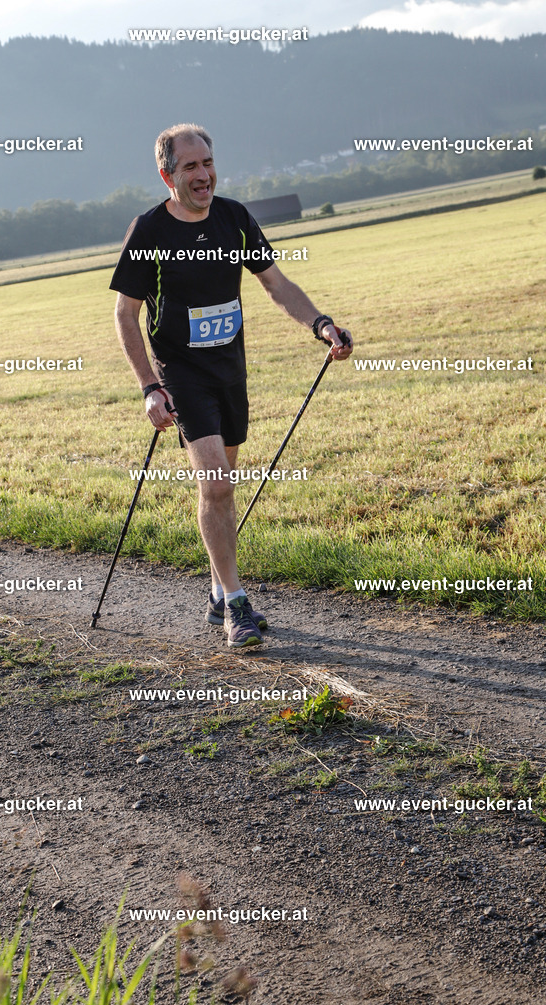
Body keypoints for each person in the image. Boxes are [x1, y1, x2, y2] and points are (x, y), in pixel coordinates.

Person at [110, 123, 353, 649]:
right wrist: (150, 387)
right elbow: (125, 315)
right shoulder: (149, 231)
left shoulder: (234, 218)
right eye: (190, 167)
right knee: (217, 485)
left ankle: (220, 592)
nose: (203, 175)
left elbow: (276, 284)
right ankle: (237, 605)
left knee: (222, 485)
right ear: (167, 176)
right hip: (181, 373)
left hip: (230, 369)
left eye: (207, 163)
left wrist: (321, 324)